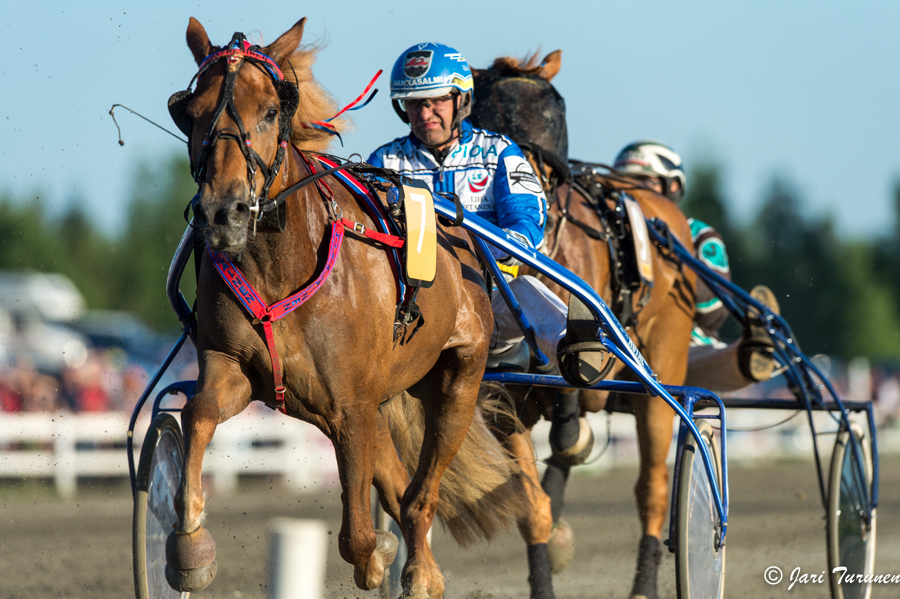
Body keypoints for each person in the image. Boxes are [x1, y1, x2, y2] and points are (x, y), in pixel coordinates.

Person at [369, 42, 603, 458]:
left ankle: (575, 347)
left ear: (461, 100)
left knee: (530, 294)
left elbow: (527, 218)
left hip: (488, 300)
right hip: (412, 314)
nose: (424, 114)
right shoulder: (385, 162)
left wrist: (505, 248)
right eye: (414, 104)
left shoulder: (499, 153)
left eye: (436, 101)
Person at [613, 140, 780, 391]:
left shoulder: (698, 235)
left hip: (685, 348)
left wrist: (664, 258)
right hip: (620, 347)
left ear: (673, 186)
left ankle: (752, 352)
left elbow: (714, 312)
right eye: (622, 183)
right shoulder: (608, 239)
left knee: (687, 354)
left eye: (643, 181)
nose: (631, 191)